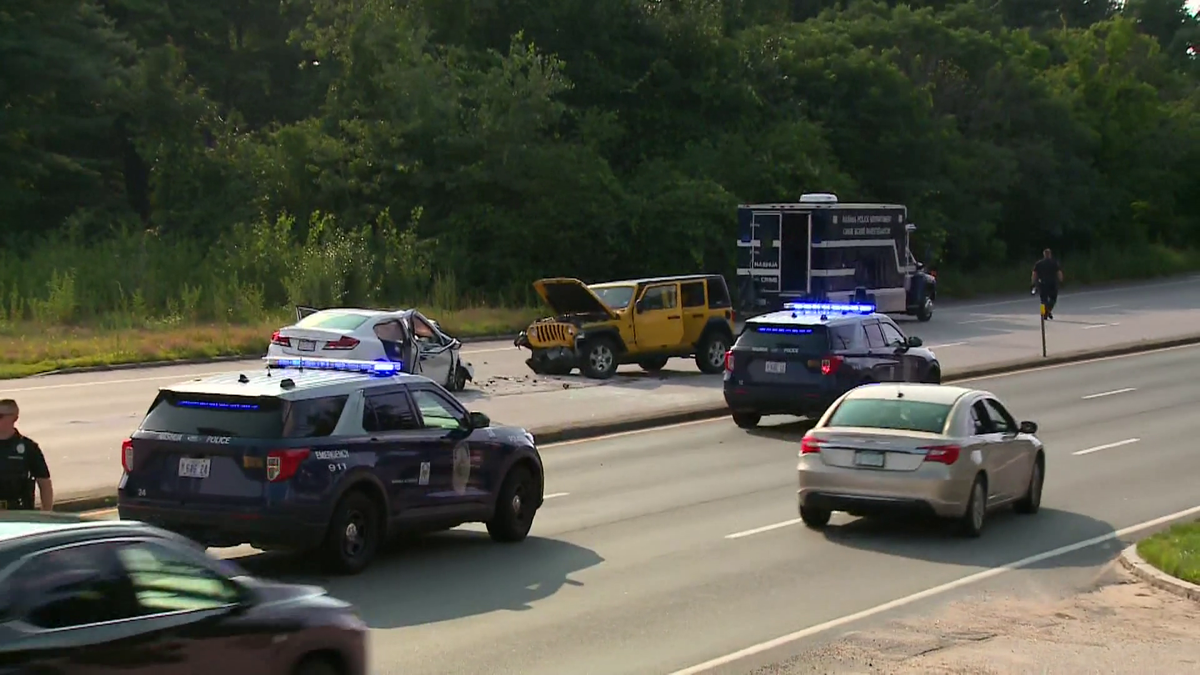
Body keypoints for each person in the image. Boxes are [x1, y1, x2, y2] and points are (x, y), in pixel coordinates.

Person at [0, 399, 54, 511]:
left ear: (14, 418)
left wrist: (47, 512)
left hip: (19, 512)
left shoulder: (28, 448)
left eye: (0, 416)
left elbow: (44, 482)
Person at [1031, 249, 1063, 320]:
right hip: (1052, 283)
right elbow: (1059, 273)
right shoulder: (1054, 263)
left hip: (1042, 283)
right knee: (1053, 299)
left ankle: (1044, 313)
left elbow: (1034, 274)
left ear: (1044, 255)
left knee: (1043, 300)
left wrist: (1033, 283)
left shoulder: (1039, 263)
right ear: (1050, 254)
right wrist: (1061, 280)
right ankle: (1047, 311)